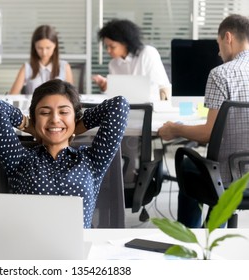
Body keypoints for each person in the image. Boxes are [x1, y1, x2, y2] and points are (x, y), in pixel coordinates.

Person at [0, 79, 129, 228]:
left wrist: (79, 126)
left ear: (75, 117)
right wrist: (29, 125)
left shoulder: (92, 161)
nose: (55, 119)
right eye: (45, 113)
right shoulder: (20, 160)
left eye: (64, 112)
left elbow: (119, 105)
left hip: (79, 247)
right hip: (31, 246)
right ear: (35, 118)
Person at [158, 14, 249, 227]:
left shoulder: (220, 74)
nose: (218, 52)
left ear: (228, 37)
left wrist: (175, 129)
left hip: (226, 179)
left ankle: (191, 239)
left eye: (219, 45)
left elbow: (208, 133)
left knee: (188, 166)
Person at [93, 19, 171, 101]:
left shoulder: (147, 53)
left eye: (112, 47)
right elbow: (116, 96)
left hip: (152, 105)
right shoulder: (113, 64)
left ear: (126, 43)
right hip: (128, 108)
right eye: (106, 47)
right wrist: (105, 87)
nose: (108, 50)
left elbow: (162, 87)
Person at [9, 25, 74, 95]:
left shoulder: (64, 67)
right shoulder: (27, 67)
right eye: (40, 48)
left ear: (55, 45)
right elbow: (12, 95)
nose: (44, 53)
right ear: (34, 46)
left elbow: (71, 96)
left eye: (48, 48)